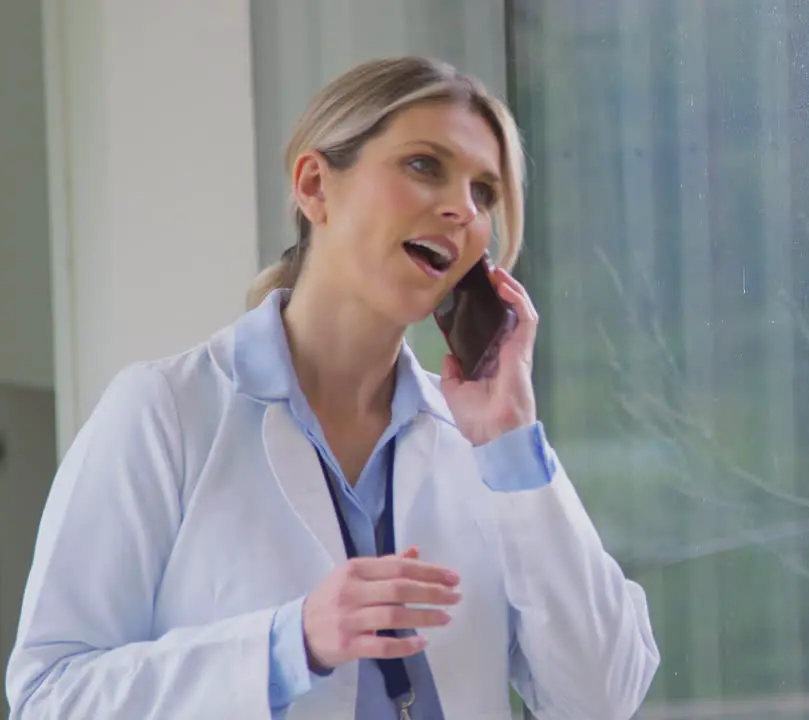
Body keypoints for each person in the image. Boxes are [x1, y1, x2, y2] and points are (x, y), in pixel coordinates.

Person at [5, 56, 660, 719]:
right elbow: (47, 696)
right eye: (425, 165)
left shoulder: (486, 450)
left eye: (484, 192)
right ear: (316, 186)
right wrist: (288, 645)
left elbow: (600, 698)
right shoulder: (166, 411)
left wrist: (511, 442)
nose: (462, 209)